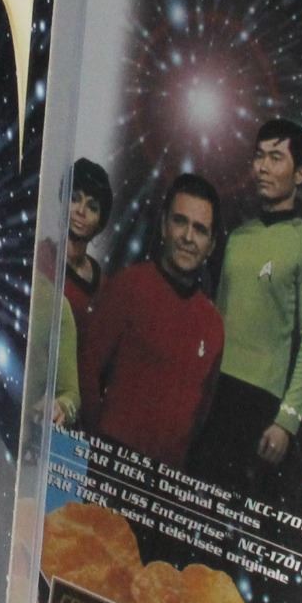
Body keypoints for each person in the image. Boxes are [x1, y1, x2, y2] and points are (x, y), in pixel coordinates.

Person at [187, 118, 302, 491]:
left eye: (275, 158)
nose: (263, 167)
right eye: (259, 156)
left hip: (259, 402)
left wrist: (287, 420)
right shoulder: (237, 237)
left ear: (300, 174)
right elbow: (214, 316)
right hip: (213, 389)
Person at [80, 173, 224, 470]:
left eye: (200, 230)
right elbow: (86, 371)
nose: (188, 237)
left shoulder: (213, 324)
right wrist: (100, 447)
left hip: (167, 480)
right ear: (163, 226)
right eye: (180, 222)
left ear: (211, 245)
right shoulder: (128, 286)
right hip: (110, 465)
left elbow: (202, 414)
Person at [61, 157, 112, 345]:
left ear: (100, 222)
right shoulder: (43, 259)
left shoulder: (104, 286)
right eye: (75, 199)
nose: (81, 211)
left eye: (92, 207)